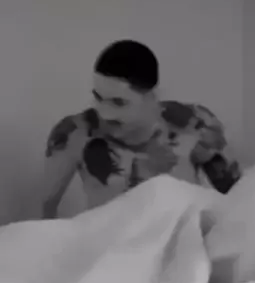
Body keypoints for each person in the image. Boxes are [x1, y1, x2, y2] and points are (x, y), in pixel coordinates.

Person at [42, 40, 241, 218]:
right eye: (98, 98)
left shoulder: (195, 124)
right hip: (110, 244)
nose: (104, 114)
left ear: (152, 95)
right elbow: (43, 212)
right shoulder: (75, 132)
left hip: (180, 243)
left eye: (118, 102)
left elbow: (238, 199)